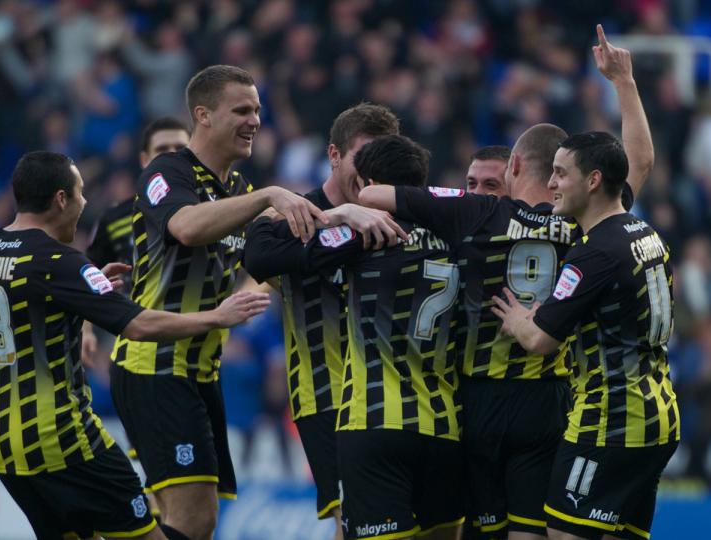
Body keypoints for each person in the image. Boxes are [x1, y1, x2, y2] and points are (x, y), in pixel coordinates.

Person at [358, 25, 653, 540]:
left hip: (479, 397)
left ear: (514, 166)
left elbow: (377, 197)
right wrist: (623, 83)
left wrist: (355, 207)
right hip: (547, 398)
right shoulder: (584, 221)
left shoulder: (478, 213)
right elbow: (641, 161)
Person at [0, 151, 269, 540]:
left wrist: (83, 290)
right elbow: (139, 325)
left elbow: (29, 314)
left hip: (5, 444)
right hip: (65, 439)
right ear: (60, 199)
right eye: (80, 193)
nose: (85, 203)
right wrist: (217, 316)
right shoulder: (58, 262)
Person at [108, 64, 326, 540]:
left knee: (193, 519)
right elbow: (186, 227)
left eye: (258, 111)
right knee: (190, 517)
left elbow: (270, 263)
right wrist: (270, 195)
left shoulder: (239, 191)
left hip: (201, 372)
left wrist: (343, 213)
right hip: (154, 367)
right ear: (202, 115)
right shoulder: (165, 171)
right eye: (242, 110)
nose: (254, 121)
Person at [245, 135, 464, 540]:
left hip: (373, 422)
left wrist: (337, 214)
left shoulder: (364, 237)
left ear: (366, 184)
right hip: (445, 424)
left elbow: (259, 253)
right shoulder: (459, 236)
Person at [491, 130, 679, 540]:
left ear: (593, 181)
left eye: (560, 174)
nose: (552, 184)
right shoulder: (644, 234)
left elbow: (541, 341)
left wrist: (518, 318)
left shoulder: (593, 253)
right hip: (658, 417)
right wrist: (623, 81)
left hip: (608, 423)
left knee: (563, 532)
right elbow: (643, 160)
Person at [268, 102, 400, 539]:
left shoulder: (404, 213)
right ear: (334, 154)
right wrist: (342, 223)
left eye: (382, 158)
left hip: (399, 395)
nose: (371, 171)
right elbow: (256, 262)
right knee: (356, 525)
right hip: (327, 397)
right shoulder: (294, 215)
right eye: (362, 157)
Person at [82, 117, 191, 364]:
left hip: (200, 345)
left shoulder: (211, 210)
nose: (171, 157)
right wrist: (86, 330)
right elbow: (89, 275)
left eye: (180, 149)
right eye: (162, 150)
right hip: (136, 348)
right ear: (144, 160)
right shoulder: (115, 218)